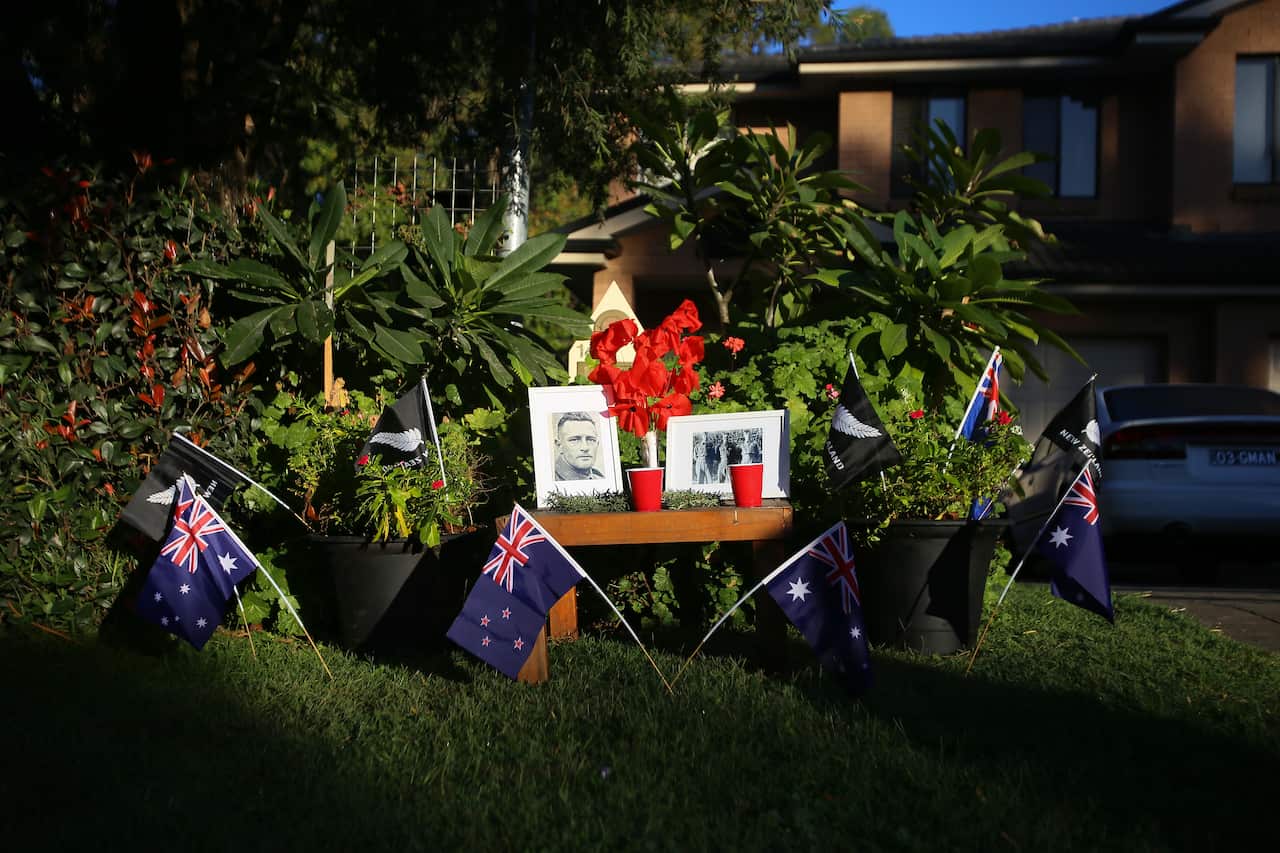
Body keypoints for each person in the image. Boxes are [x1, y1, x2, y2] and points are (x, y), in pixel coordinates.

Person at [553, 412, 603, 480]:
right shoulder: (550, 478)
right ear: (559, 445)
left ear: (597, 444)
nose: (585, 448)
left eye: (590, 440)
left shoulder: (600, 477)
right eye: (574, 440)